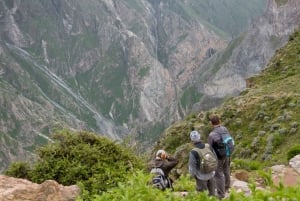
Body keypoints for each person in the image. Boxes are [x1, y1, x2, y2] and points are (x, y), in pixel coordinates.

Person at [208, 115, 232, 199]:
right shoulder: (225, 129)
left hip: (218, 157)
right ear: (219, 121)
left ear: (212, 123)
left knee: (219, 174)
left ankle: (221, 194)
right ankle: (227, 187)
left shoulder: (212, 135)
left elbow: (210, 148)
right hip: (227, 153)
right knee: (226, 170)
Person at [188, 130, 216, 196]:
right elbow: (215, 158)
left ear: (192, 140)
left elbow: (192, 168)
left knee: (203, 196)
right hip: (211, 174)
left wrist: (194, 176)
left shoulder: (193, 152)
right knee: (212, 195)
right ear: (199, 137)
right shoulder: (208, 146)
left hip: (201, 177)